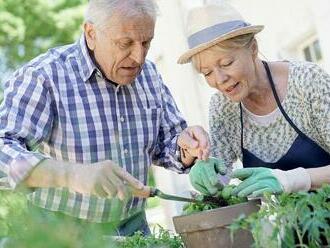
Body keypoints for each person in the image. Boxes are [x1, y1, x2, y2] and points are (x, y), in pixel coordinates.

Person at [0, 0, 210, 236]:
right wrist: (72, 175)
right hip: (61, 232)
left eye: (146, 42)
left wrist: (186, 148)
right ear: (91, 34)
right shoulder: (44, 77)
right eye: (125, 43)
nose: (139, 57)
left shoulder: (149, 75)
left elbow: (167, 143)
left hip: (135, 228)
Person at [179, 3, 330, 197]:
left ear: (253, 49)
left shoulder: (307, 82)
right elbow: (221, 179)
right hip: (290, 227)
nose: (219, 80)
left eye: (227, 63)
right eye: (207, 73)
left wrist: (291, 180)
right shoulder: (222, 107)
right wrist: (206, 172)